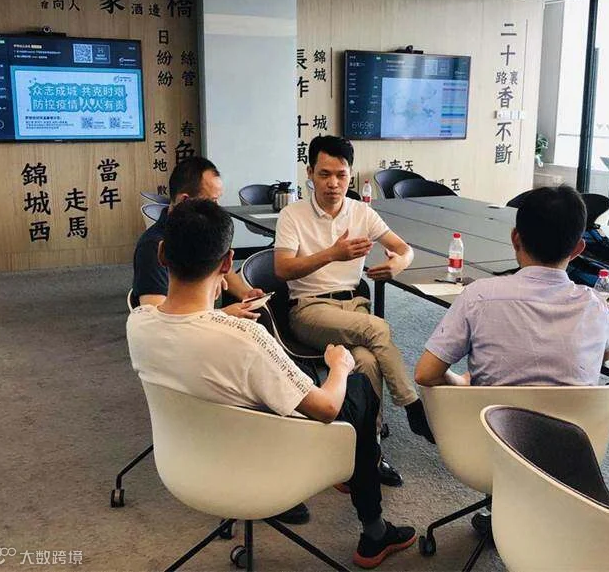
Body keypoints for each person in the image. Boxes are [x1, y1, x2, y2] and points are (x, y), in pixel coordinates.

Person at [126, 200, 416, 568]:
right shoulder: (245, 338)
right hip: (263, 462)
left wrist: (221, 315)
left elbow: (187, 327)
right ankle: (374, 531)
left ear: (162, 254)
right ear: (227, 263)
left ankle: (360, 485)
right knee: (358, 387)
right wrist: (339, 367)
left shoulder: (139, 322)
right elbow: (326, 408)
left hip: (183, 464)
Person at [273, 136, 435, 484]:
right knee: (377, 329)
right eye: (324, 174)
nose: (333, 183)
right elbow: (282, 269)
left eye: (341, 175)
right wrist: (332, 254)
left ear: (350, 175)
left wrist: (398, 264)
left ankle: (368, 452)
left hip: (353, 307)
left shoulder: (361, 212)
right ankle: (411, 405)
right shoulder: (292, 215)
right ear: (309, 173)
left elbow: (404, 249)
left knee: (367, 361)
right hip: (309, 309)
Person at [415, 184, 609, 388]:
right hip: (576, 410)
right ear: (578, 249)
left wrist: (461, 381)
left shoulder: (479, 296)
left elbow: (426, 375)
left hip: (488, 410)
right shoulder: (597, 306)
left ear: (515, 239)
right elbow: (605, 354)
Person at [131, 156, 262, 319]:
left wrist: (246, 293)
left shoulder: (203, 231)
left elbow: (220, 265)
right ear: (185, 201)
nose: (217, 208)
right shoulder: (152, 246)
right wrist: (222, 315)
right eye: (212, 201)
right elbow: (157, 319)